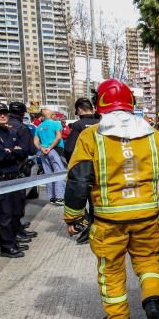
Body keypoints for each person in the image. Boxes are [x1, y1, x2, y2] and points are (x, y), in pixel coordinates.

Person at [64, 80, 159, 319]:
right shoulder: (152, 134)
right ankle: (152, 300)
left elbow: (78, 178)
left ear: (99, 104)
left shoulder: (90, 135)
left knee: (111, 267)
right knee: (149, 261)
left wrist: (72, 216)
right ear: (131, 104)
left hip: (109, 221)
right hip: (147, 217)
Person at [0, 103, 31, 258]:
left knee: (15, 211)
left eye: (5, 113)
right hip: (0, 179)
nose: (3, 116)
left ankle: (13, 240)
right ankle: (7, 247)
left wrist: (12, 151)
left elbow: (24, 151)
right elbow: (1, 156)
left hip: (13, 177)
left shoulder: (9, 130)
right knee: (4, 215)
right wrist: (12, 151)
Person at [65, 98, 101, 244]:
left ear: (79, 110)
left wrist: (73, 165)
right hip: (102, 169)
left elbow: (68, 149)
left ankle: (86, 228)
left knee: (82, 199)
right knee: (96, 202)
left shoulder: (78, 125)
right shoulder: (102, 123)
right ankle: (97, 229)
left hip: (83, 171)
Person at [6, 102, 38, 241]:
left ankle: (16, 229)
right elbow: (31, 149)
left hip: (4, 171)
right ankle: (17, 231)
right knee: (17, 201)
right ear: (23, 113)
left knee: (8, 204)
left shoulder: (1, 127)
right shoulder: (21, 128)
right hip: (18, 169)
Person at [34, 109, 67, 204]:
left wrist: (42, 148)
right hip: (55, 150)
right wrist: (50, 148)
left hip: (44, 152)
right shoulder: (56, 124)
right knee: (60, 172)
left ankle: (52, 197)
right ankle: (60, 197)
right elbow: (58, 137)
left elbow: (35, 141)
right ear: (52, 115)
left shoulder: (39, 126)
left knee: (48, 173)